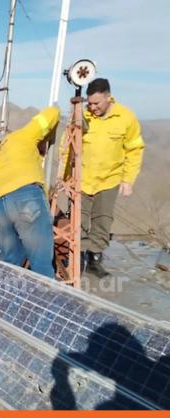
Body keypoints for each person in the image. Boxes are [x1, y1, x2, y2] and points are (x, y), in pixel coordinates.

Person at [0, 106, 60, 278]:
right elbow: (52, 113)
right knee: (41, 262)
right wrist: (45, 135)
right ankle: (44, 295)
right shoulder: (23, 135)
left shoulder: (0, 156)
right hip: (23, 194)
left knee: (12, 260)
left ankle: (7, 294)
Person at [80, 78, 145, 277]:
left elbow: (134, 149)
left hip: (109, 180)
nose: (92, 107)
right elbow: (67, 147)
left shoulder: (126, 117)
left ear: (108, 97)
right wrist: (64, 177)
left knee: (102, 221)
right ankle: (77, 258)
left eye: (96, 103)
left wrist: (128, 180)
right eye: (89, 103)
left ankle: (94, 259)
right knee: (78, 221)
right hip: (82, 179)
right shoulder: (82, 116)